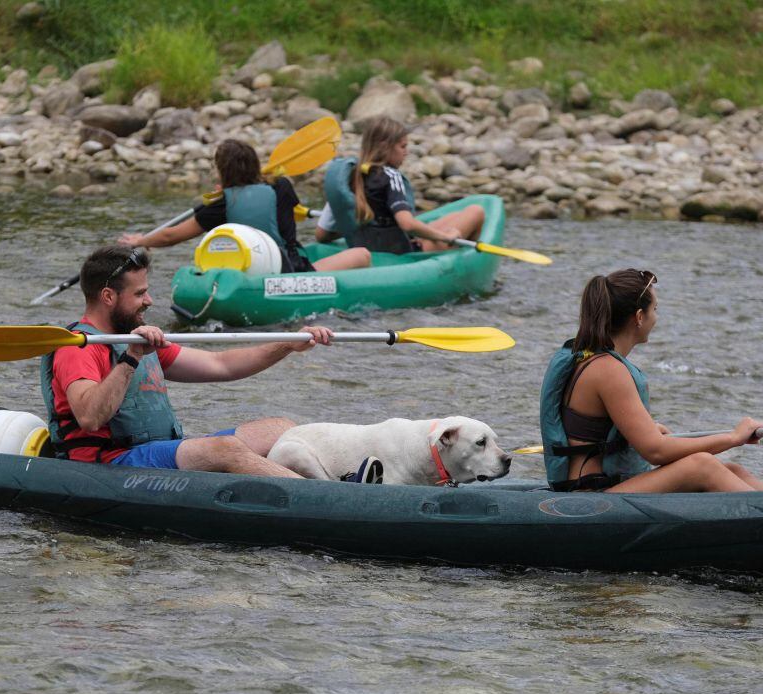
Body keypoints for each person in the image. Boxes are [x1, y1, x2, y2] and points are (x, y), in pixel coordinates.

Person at [40, 245, 372, 480]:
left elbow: (222, 365)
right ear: (109, 297)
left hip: (156, 450)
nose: (150, 300)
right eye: (140, 294)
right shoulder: (79, 347)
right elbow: (89, 416)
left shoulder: (137, 339)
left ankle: (338, 479)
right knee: (224, 449)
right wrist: (131, 356)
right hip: (108, 463)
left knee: (281, 427)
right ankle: (328, 498)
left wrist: (287, 343)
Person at [539, 268, 763, 493]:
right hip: (590, 495)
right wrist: (734, 438)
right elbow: (656, 451)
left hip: (598, 486)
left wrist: (643, 430)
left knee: (732, 470)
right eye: (655, 309)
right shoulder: (608, 369)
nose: (656, 317)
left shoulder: (593, 358)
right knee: (702, 465)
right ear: (639, 317)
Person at [119, 139, 370, 272]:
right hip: (290, 270)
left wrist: (141, 241)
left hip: (249, 272)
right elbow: (284, 222)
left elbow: (173, 235)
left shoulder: (222, 203)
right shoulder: (281, 186)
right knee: (363, 254)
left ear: (222, 171)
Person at [317, 116, 485, 255]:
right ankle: (468, 266)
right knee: (475, 212)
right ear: (384, 148)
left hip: (369, 251)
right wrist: (443, 237)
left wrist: (356, 229)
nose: (406, 152)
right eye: (402, 146)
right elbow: (407, 224)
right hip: (405, 253)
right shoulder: (391, 176)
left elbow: (321, 235)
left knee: (454, 215)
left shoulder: (347, 178)